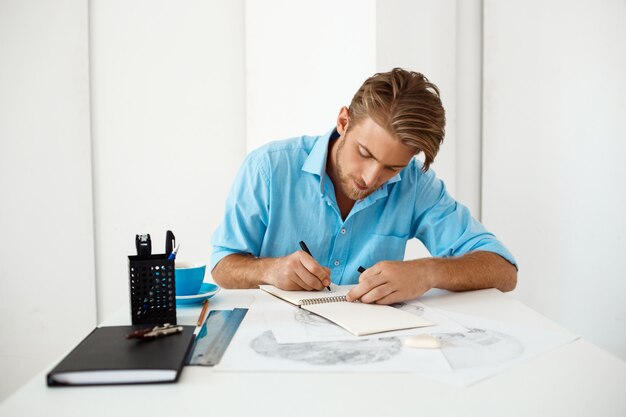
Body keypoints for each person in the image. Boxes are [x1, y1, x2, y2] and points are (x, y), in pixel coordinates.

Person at [210, 68, 517, 304]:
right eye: (365, 153)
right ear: (344, 121)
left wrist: (427, 272)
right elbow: (223, 266)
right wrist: (270, 270)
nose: (370, 178)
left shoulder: (414, 184)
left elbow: (503, 270)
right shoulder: (268, 168)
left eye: (391, 167)